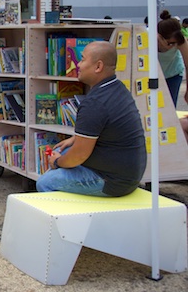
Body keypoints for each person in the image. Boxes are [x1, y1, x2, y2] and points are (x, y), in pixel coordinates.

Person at [37, 41, 147, 197]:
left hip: (113, 181)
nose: (77, 65)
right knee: (62, 149)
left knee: (45, 182)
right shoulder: (117, 88)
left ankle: (69, 219)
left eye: (82, 59)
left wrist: (56, 162)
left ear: (98, 66)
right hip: (129, 171)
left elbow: (78, 156)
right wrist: (76, 139)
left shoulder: (94, 103)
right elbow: (108, 128)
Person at [157, 10, 188, 107]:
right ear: (160, 37)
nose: (173, 46)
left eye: (175, 43)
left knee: (170, 106)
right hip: (156, 75)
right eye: (170, 43)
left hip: (173, 73)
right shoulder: (149, 38)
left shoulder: (181, 41)